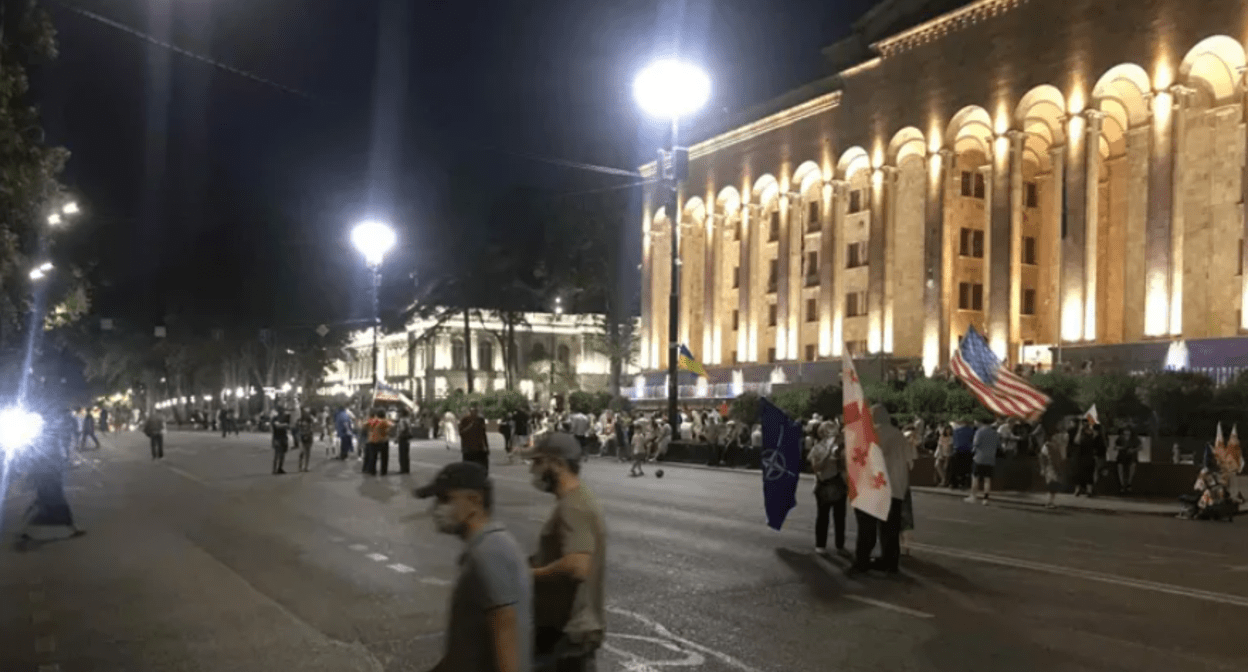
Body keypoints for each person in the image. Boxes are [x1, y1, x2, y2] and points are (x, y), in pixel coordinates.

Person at [415, 461, 532, 672]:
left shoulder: (490, 552)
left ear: (475, 500)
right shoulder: (487, 548)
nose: (437, 509)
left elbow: (505, 629)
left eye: (446, 499)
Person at [522, 433, 607, 672]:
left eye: (538, 462)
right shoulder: (575, 501)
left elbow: (578, 565)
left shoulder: (574, 505)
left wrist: (530, 575)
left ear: (558, 464)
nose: (533, 471)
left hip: (567, 634)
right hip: (566, 633)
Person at [850, 405, 908, 575]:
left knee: (867, 527)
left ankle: (862, 561)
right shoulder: (899, 435)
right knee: (890, 529)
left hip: (875, 486)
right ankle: (890, 562)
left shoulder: (871, 433)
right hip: (896, 486)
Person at [19, 403, 86, 543]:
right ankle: (26, 531)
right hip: (48, 476)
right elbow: (45, 457)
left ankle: (25, 531)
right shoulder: (45, 435)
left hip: (48, 475)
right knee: (53, 504)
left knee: (45, 503)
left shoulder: (44, 434)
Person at [808, 421, 847, 556]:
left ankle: (840, 545)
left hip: (838, 482)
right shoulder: (817, 449)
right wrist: (828, 452)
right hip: (824, 483)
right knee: (823, 516)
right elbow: (816, 468)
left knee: (840, 517)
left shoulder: (839, 448)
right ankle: (820, 545)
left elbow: (844, 466)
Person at [967, 418, 999, 505]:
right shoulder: (995, 433)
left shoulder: (979, 432)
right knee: (987, 479)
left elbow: (975, 443)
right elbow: (998, 445)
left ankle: (973, 497)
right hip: (990, 458)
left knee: (975, 477)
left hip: (979, 457)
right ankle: (985, 499)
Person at [460, 403, 490, 474]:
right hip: (468, 448)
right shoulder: (465, 420)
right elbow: (462, 433)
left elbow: (483, 434)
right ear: (470, 411)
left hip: (479, 448)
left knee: (483, 468)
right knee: (468, 469)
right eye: (473, 410)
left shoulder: (480, 420)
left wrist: (486, 446)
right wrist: (471, 425)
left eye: (476, 410)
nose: (474, 412)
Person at [364, 408, 393, 476]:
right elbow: (391, 426)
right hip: (383, 441)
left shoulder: (372, 421)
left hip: (372, 440)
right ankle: (383, 471)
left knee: (373, 457)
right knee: (384, 457)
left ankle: (372, 471)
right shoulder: (385, 421)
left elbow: (364, 425)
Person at [1039, 431, 1063, 508]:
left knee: (1054, 485)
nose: (1056, 437)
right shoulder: (1047, 446)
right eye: (1055, 436)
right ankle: (1049, 502)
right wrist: (1043, 468)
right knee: (1051, 484)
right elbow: (1043, 458)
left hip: (1055, 467)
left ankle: (1051, 501)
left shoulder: (1055, 445)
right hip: (1050, 467)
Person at [1115, 426, 1141, 494]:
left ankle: (1129, 483)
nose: (1126, 435)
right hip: (1121, 457)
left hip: (1131, 457)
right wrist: (1122, 448)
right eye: (1125, 434)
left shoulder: (1134, 439)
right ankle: (1122, 485)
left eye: (1128, 434)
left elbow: (1140, 447)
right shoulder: (1120, 438)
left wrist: (1133, 450)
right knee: (1120, 468)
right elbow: (1115, 447)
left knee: (1132, 466)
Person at [271, 407, 291, 475]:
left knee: (282, 454)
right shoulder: (275, 418)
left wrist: (283, 425)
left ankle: (279, 468)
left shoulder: (285, 418)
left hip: (283, 437)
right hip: (277, 438)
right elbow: (277, 426)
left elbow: (288, 425)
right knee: (277, 454)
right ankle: (274, 469)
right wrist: (284, 425)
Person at [296, 408, 316, 473]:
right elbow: (298, 428)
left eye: (308, 413)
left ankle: (306, 466)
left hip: (309, 437)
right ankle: (300, 466)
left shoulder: (310, 420)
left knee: (308, 453)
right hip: (302, 437)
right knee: (302, 452)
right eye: (305, 412)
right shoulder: (300, 421)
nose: (306, 414)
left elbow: (312, 428)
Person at [396, 407, 413, 474]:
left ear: (402, 413)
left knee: (402, 454)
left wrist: (397, 437)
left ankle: (403, 469)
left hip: (402, 438)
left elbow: (402, 430)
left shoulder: (402, 420)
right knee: (406, 454)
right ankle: (407, 469)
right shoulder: (408, 420)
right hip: (407, 439)